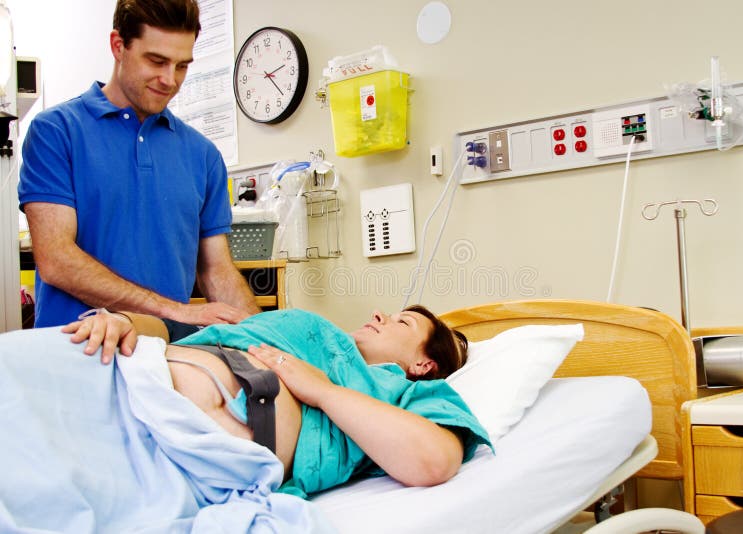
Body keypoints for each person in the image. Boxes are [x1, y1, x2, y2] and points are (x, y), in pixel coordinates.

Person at [60, 305, 488, 499]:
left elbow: (433, 460)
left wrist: (321, 390)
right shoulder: (311, 330)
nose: (380, 315)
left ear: (423, 362)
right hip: (117, 371)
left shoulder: (406, 396)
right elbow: (174, 325)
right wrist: (123, 319)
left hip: (177, 458)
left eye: (402, 321)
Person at [17, 0, 259, 328]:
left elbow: (216, 269)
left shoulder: (203, 155)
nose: (170, 79)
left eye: (182, 65)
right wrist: (173, 310)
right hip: (77, 353)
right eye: (156, 61)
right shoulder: (56, 132)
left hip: (167, 358)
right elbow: (56, 260)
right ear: (118, 45)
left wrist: (259, 337)